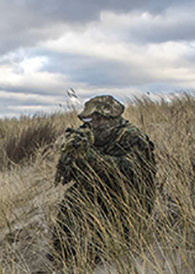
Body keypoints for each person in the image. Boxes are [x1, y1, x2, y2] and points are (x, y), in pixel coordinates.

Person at [52, 95, 156, 263]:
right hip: (100, 191)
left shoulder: (131, 137)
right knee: (73, 199)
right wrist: (70, 154)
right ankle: (65, 253)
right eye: (89, 119)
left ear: (112, 119)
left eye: (98, 120)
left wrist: (90, 156)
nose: (93, 124)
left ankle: (103, 252)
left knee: (111, 241)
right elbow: (69, 177)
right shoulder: (88, 134)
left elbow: (129, 172)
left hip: (128, 199)